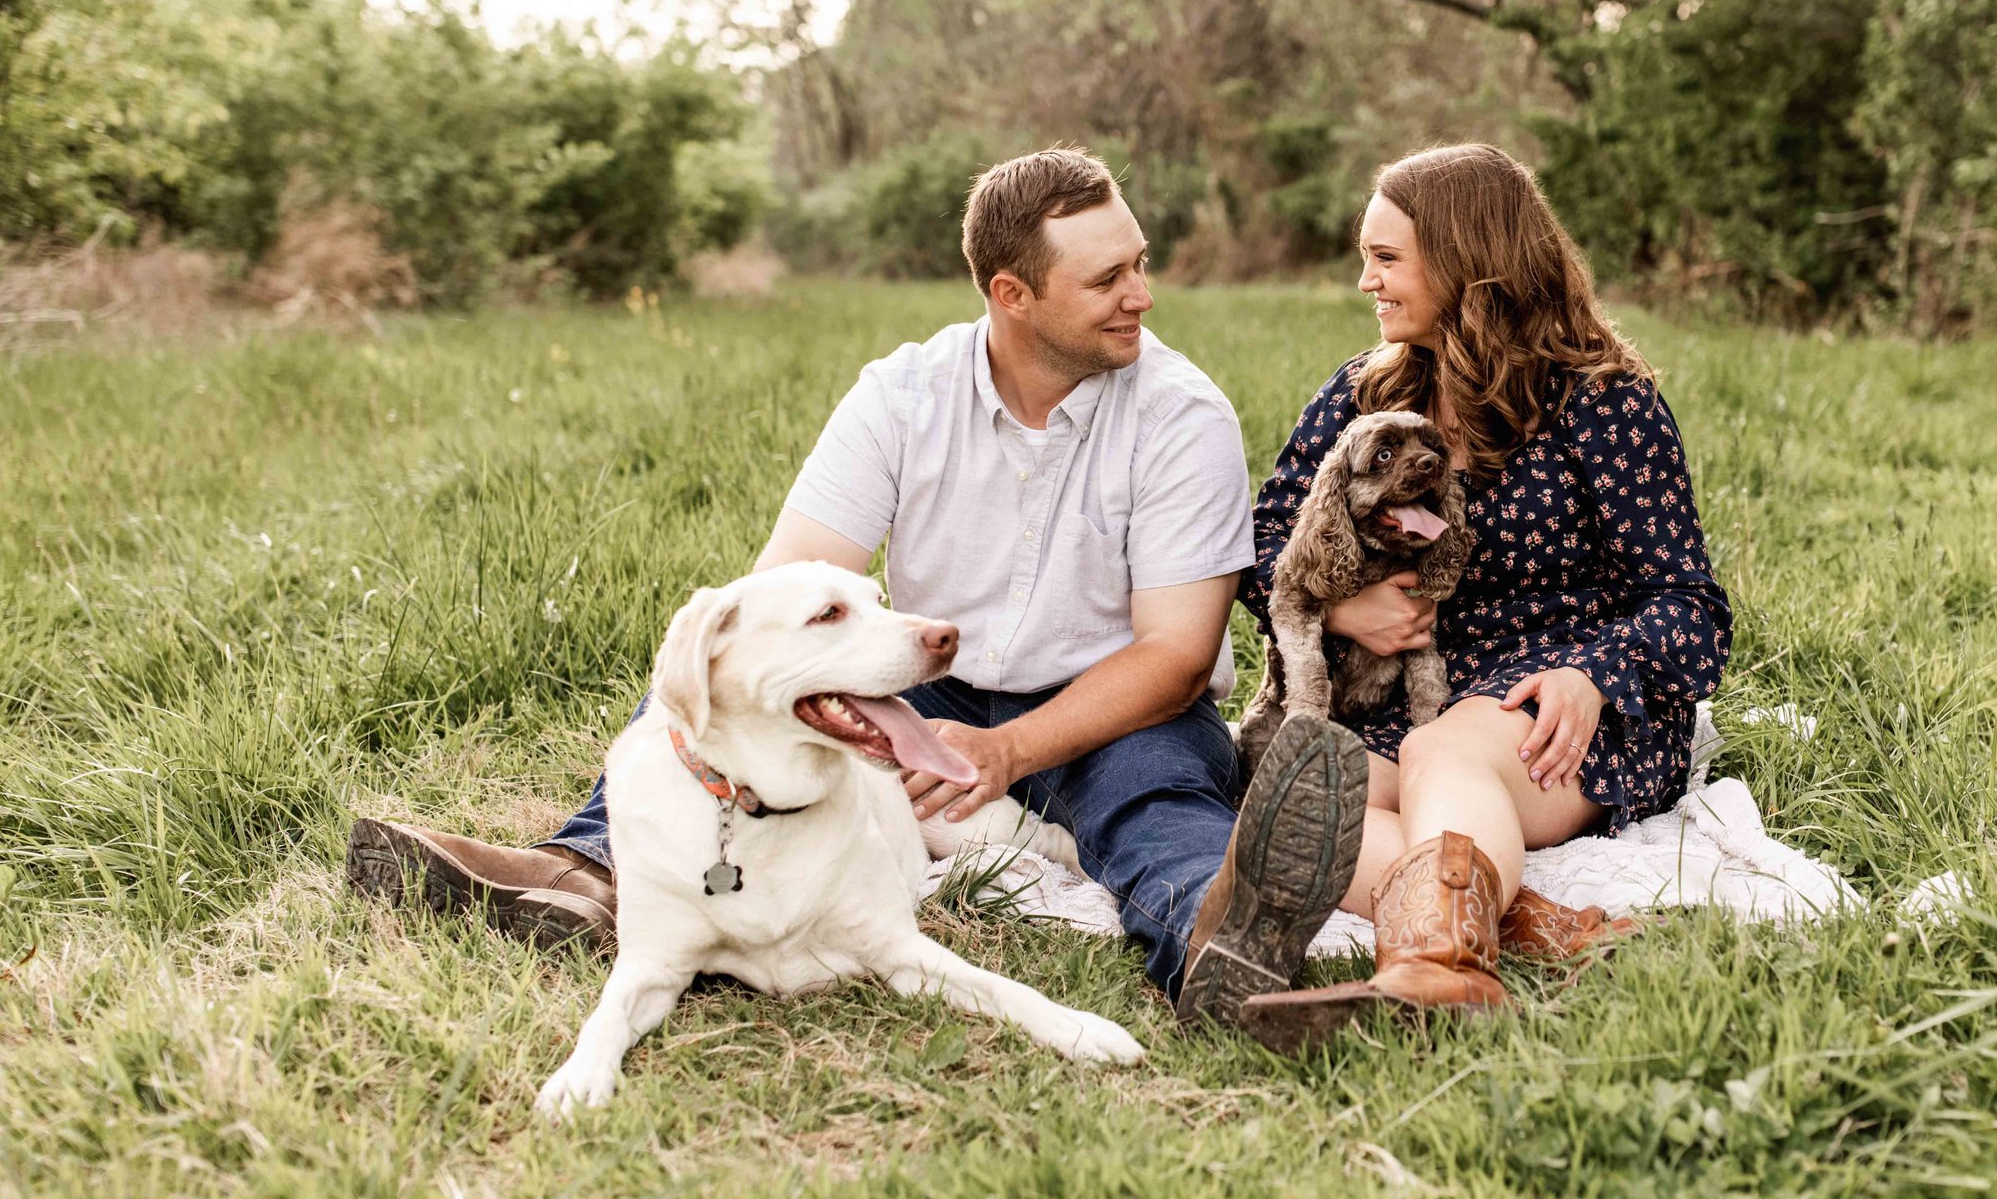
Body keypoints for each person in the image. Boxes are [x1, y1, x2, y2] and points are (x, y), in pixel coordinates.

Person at [346, 146, 1365, 1035]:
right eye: (1108, 277)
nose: (1142, 292)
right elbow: (782, 588)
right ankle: (588, 870)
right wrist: (828, 694)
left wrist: (1006, 750)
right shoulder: (903, 392)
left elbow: (1177, 650)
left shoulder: (1179, 414)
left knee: (1157, 804)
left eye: (1138, 263)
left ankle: (1219, 944)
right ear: (1012, 293)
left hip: (1117, 704)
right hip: (925, 679)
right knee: (734, 683)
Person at [1231, 143, 1733, 1050]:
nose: (1364, 281)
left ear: (1464, 259)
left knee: (1443, 752)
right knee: (1297, 797)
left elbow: (1690, 604)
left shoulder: (1602, 404)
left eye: (1386, 259)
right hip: (1414, 694)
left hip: (1556, 706)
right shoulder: (1367, 392)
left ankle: (1437, 974)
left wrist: (1594, 673)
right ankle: (1535, 922)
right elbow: (1263, 537)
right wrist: (1341, 610)